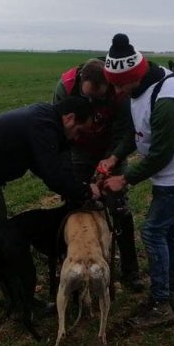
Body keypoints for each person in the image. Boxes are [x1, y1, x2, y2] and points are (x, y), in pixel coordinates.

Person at [0, 96, 100, 319]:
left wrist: (70, 186)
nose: (77, 138)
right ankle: (20, 304)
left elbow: (44, 166)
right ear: (70, 118)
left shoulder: (44, 119)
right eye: (80, 131)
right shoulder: (43, 126)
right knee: (3, 241)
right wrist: (85, 191)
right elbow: (51, 171)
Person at [99, 33, 174, 327]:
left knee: (153, 231)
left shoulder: (168, 100)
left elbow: (160, 154)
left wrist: (124, 180)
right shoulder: (139, 91)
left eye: (119, 84)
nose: (116, 91)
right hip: (171, 170)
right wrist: (115, 157)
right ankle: (173, 291)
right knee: (169, 229)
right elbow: (138, 133)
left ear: (134, 76)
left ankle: (161, 303)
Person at [53, 58, 144, 292]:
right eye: (88, 98)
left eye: (98, 98)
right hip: (78, 152)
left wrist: (113, 158)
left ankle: (130, 271)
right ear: (81, 82)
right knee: (74, 208)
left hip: (111, 152)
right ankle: (71, 265)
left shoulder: (120, 92)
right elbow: (59, 127)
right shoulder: (66, 86)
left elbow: (128, 131)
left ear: (109, 84)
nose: (92, 103)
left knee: (119, 209)